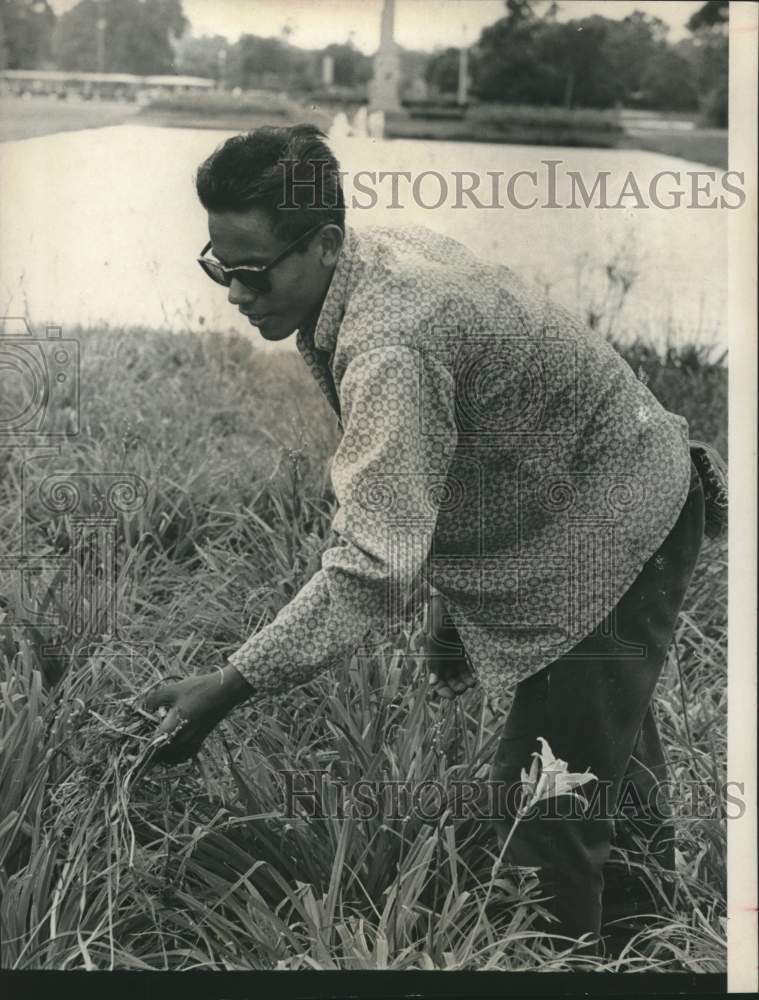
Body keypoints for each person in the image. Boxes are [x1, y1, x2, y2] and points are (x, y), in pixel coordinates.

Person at [146, 124, 707, 954]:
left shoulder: (391, 343)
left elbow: (373, 565)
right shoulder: (375, 259)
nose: (233, 292)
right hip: (603, 492)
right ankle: (655, 945)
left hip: (618, 530)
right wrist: (459, 608)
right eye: (218, 265)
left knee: (543, 810)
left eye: (251, 271)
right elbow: (469, 449)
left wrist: (224, 689)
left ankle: (556, 961)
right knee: (603, 767)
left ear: (326, 243)